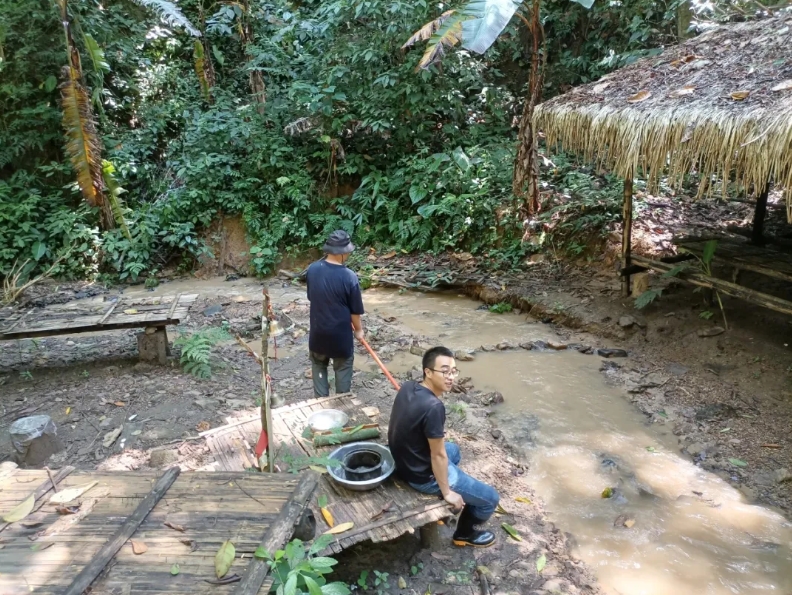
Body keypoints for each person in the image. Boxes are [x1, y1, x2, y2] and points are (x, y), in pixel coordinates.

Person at [388, 346, 499, 547]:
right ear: (428, 372)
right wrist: (447, 492)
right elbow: (438, 456)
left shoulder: (408, 387)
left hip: (403, 461)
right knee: (490, 498)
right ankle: (464, 535)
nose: (451, 377)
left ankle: (448, 490)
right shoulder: (434, 407)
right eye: (445, 371)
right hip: (420, 476)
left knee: (454, 450)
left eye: (453, 371)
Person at [306, 230, 365, 398]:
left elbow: (312, 297)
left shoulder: (312, 269)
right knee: (343, 367)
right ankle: (342, 401)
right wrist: (359, 330)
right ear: (343, 252)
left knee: (318, 366)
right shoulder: (349, 277)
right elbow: (355, 312)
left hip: (318, 334)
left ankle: (320, 402)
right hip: (340, 338)